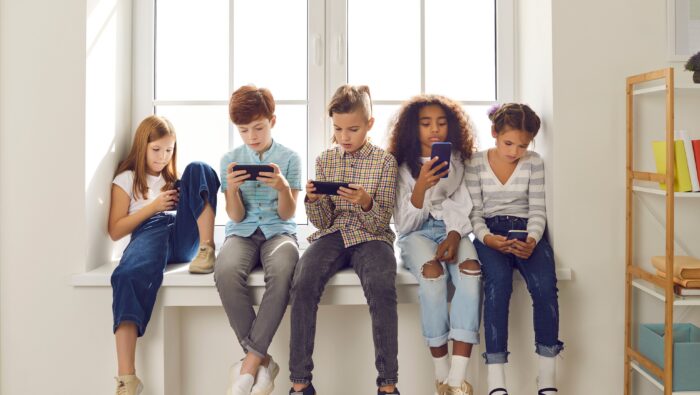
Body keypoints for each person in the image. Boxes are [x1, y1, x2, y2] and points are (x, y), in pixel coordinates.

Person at [288, 85, 400, 395]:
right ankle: (300, 383)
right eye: (338, 129)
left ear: (369, 125)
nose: (344, 136)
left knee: (381, 284)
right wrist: (312, 200)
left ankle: (388, 384)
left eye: (353, 129)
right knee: (304, 279)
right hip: (334, 233)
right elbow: (323, 221)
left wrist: (365, 201)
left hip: (372, 237)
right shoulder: (325, 159)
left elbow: (380, 222)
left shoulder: (385, 162)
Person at [108, 115, 220, 395]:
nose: (162, 156)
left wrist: (175, 200)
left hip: (182, 236)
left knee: (199, 169)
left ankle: (208, 247)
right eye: (156, 149)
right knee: (126, 275)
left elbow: (193, 196)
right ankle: (127, 378)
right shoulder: (127, 179)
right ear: (142, 146)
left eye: (169, 150)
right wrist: (155, 206)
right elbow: (115, 229)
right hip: (149, 229)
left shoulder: (173, 179)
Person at [465, 103, 563, 395]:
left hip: (526, 234)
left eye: (522, 145)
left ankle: (547, 377)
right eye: (508, 143)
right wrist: (486, 238)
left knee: (545, 286)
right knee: (498, 285)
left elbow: (537, 210)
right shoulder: (475, 163)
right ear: (494, 133)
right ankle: (497, 380)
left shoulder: (534, 163)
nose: (514, 151)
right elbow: (474, 213)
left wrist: (532, 239)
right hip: (490, 235)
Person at [388, 95, 481, 395]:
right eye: (426, 123)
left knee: (470, 271)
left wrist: (454, 235)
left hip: (453, 229)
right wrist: (420, 187)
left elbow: (461, 202)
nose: (434, 130)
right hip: (417, 233)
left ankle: (457, 379)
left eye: (441, 123)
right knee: (432, 276)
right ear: (412, 128)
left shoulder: (457, 160)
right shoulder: (402, 166)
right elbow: (405, 223)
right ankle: (441, 372)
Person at [214, 85, 302, 395]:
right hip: (241, 233)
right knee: (224, 271)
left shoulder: (290, 158)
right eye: (244, 130)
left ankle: (250, 364)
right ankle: (262, 360)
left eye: (259, 127)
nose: (252, 136)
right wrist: (233, 190)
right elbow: (235, 217)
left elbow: (289, 211)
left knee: (283, 270)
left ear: (272, 121)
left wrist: (282, 187)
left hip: (280, 232)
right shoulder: (230, 159)